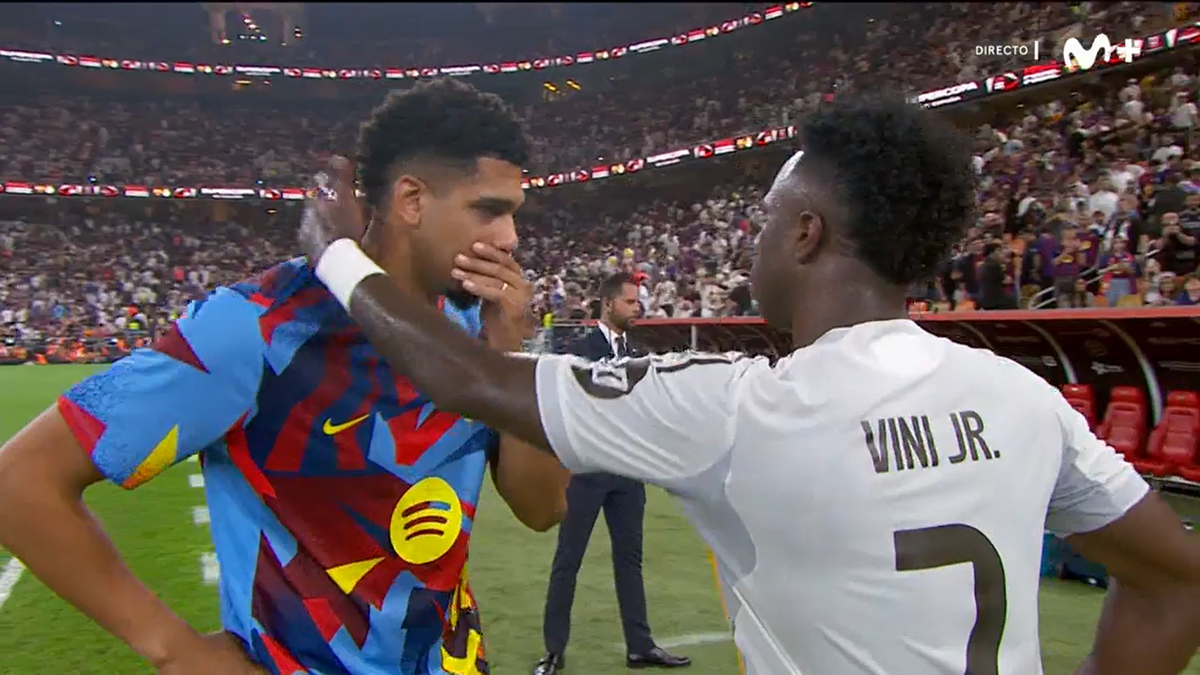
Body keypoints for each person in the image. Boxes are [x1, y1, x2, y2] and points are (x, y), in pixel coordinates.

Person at [298, 96, 1200, 675]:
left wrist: (335, 248)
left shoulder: (738, 406)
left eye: (765, 218)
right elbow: (1177, 584)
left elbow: (460, 374)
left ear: (806, 234)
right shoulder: (1022, 396)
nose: (751, 239)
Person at [0, 78, 569, 674]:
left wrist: (513, 353)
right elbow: (20, 483)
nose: (510, 237)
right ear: (411, 200)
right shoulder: (256, 327)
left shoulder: (473, 328)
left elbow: (541, 508)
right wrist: (177, 651)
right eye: (490, 210)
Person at [535, 272, 690, 674]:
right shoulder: (580, 350)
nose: (637, 308)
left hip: (626, 473)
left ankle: (640, 646)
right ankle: (554, 651)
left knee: (630, 560)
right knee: (568, 559)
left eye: (637, 302)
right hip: (586, 472)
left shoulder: (636, 352)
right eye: (631, 302)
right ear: (609, 305)